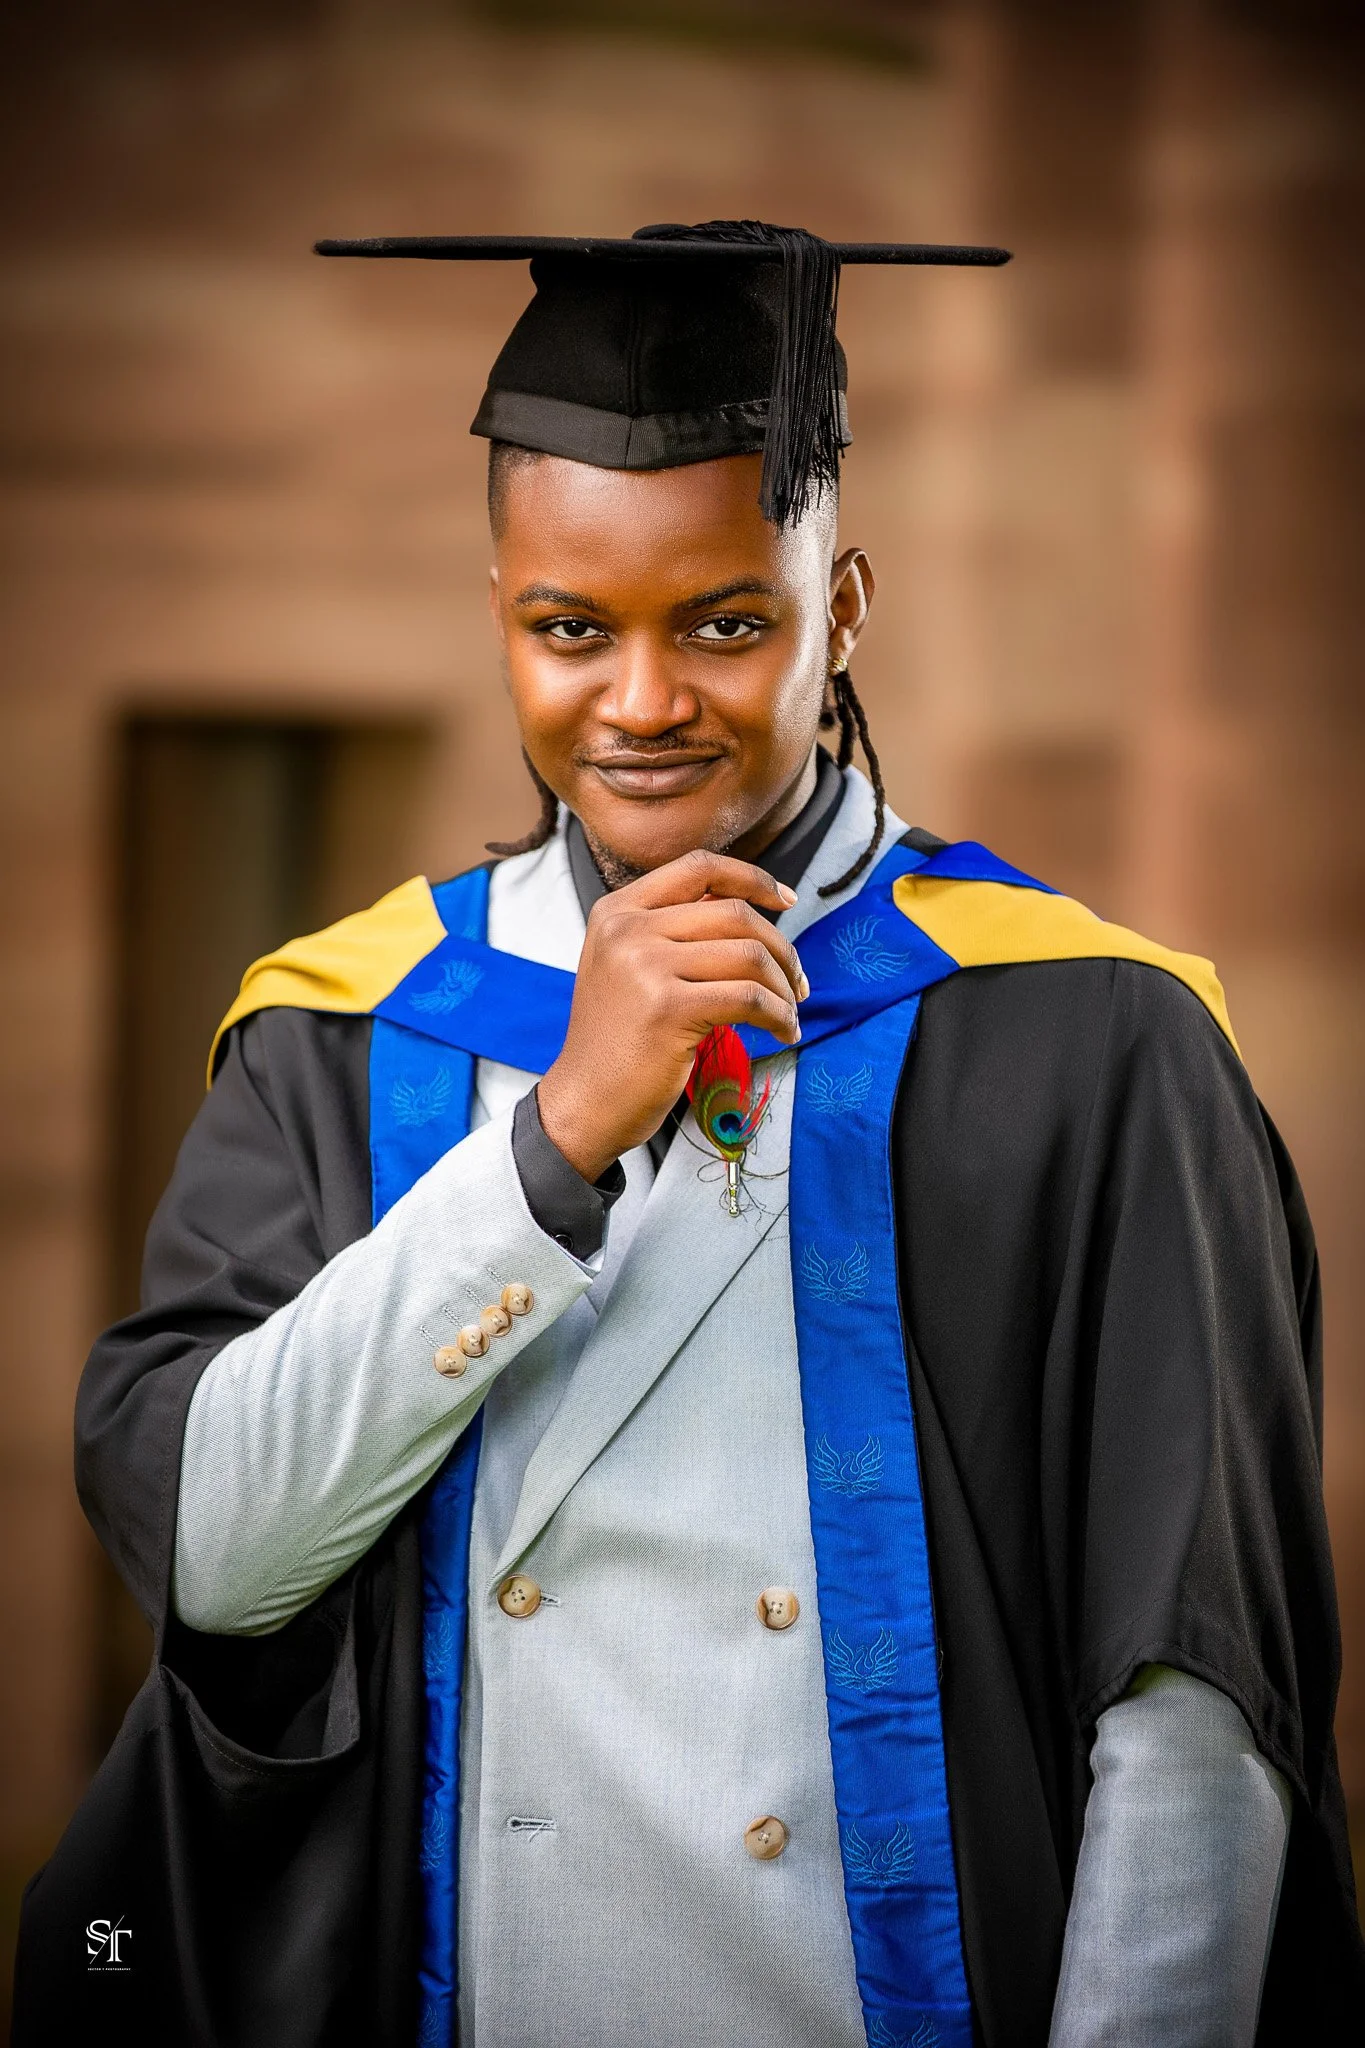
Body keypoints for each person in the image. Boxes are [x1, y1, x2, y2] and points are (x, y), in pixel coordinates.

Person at [16, 222, 1364, 2048]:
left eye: (727, 623)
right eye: (571, 630)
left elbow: (1189, 1701)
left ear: (848, 607)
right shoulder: (342, 1031)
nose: (643, 703)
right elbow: (220, 1560)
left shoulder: (1095, 1040)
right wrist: (556, 1134)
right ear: (498, 604)